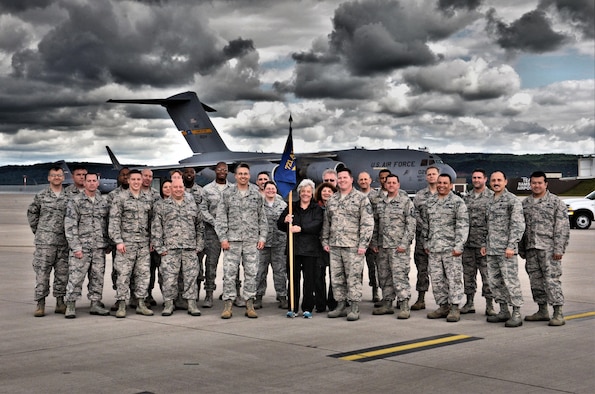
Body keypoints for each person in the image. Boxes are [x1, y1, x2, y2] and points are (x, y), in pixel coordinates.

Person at [321, 168, 374, 321]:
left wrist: (363, 244)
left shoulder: (361, 199)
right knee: (337, 277)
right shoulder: (332, 199)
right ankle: (341, 305)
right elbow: (327, 222)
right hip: (335, 245)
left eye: (345, 177)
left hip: (353, 246)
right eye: (340, 178)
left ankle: (355, 306)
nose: (342, 180)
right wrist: (325, 240)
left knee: (353, 277)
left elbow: (367, 223)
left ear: (351, 179)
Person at [215, 163, 267, 319]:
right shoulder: (227, 194)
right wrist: (223, 238)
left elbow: (262, 218)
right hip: (232, 241)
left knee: (251, 273)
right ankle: (228, 305)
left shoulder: (257, 194)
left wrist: (262, 237)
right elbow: (221, 217)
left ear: (249, 176)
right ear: (235, 176)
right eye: (240, 174)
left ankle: (249, 304)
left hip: (251, 241)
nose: (243, 176)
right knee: (229, 273)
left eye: (246, 174)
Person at [519, 171, 570, 326]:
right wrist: (522, 249)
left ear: (546, 184)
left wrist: (559, 249)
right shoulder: (525, 203)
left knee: (551, 281)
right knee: (536, 281)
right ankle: (542, 310)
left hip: (548, 249)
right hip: (531, 249)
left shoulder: (555, 202)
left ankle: (558, 312)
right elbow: (521, 227)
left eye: (540, 183)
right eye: (533, 183)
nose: (536, 185)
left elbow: (562, 228)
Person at [152, 179, 204, 317]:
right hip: (170, 249)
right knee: (169, 278)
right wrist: (160, 247)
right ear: (171, 189)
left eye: (180, 187)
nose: (178, 189)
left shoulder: (192, 205)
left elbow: (199, 226)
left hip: (189, 248)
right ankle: (169, 304)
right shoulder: (162, 206)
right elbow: (156, 228)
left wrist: (199, 245)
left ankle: (191, 304)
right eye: (175, 187)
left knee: (191, 278)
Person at [481, 170, 525, 328]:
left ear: (506, 182)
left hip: (506, 250)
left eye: (499, 180)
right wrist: (484, 244)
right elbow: (487, 226)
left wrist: (511, 245)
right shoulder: (490, 201)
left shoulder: (511, 200)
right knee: (495, 282)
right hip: (492, 249)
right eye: (493, 180)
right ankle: (503, 310)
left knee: (510, 282)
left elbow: (518, 224)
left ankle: (517, 313)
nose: (496, 183)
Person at [422, 174, 469, 322]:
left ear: (451, 185)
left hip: (451, 249)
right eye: (439, 182)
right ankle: (443, 306)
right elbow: (426, 225)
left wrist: (459, 246)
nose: (441, 185)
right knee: (437, 279)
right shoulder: (430, 203)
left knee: (454, 279)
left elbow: (462, 226)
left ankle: (454, 307)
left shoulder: (457, 203)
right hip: (434, 248)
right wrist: (426, 243)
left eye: (445, 183)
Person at [64, 173, 111, 318]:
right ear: (84, 183)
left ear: (98, 183)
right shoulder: (76, 201)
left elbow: (107, 224)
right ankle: (70, 304)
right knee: (76, 277)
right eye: (88, 181)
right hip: (81, 248)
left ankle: (95, 303)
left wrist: (108, 243)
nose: (91, 183)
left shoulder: (103, 202)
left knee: (97, 277)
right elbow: (70, 226)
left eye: (94, 181)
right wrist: (75, 247)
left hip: (98, 247)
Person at [109, 169, 154, 318]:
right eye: (133, 179)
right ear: (128, 181)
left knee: (143, 274)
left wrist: (152, 240)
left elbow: (152, 222)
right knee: (123, 274)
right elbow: (114, 222)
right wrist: (118, 241)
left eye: (138, 179)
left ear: (142, 181)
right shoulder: (120, 198)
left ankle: (141, 303)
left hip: (143, 244)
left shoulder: (147, 199)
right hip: (126, 244)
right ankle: (122, 304)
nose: (136, 182)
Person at [371, 174, 416, 319]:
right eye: (388, 182)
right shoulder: (380, 203)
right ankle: (388, 303)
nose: (390, 185)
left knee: (399, 276)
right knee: (384, 276)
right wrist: (375, 243)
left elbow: (411, 225)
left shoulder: (405, 202)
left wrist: (404, 243)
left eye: (393, 182)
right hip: (383, 246)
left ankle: (404, 304)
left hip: (398, 247)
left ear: (398, 185)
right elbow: (376, 224)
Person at [27, 165, 69, 317]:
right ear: (49, 178)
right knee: (42, 273)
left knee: (62, 274)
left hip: (64, 242)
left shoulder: (68, 197)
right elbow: (32, 213)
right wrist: (39, 231)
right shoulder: (42, 195)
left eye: (59, 175)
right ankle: (40, 303)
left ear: (63, 177)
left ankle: (60, 302)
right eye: (53, 175)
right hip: (45, 242)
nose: (57, 178)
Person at [278, 179, 323, 318]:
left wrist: (301, 228)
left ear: (312, 193)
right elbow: (279, 224)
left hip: (310, 249)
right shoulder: (292, 206)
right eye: (303, 191)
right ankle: (293, 306)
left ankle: (307, 307)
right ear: (299, 192)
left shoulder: (316, 209)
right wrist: (285, 221)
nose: (305, 194)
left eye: (308, 191)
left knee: (309, 280)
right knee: (293, 279)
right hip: (294, 249)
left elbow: (317, 225)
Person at [461, 169, 496, 316]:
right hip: (468, 244)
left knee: (487, 276)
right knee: (468, 275)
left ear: (485, 179)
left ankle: (489, 305)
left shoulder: (491, 197)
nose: (476, 180)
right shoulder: (466, 198)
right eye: (474, 177)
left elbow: (493, 223)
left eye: (479, 178)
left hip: (483, 245)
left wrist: (487, 243)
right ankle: (469, 303)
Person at [199, 162, 231, 308]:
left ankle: (232, 293)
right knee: (211, 264)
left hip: (230, 233)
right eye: (219, 169)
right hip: (212, 233)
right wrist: (215, 222)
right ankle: (209, 294)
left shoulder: (233, 189)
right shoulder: (207, 190)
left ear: (228, 172)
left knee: (231, 265)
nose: (222, 172)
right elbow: (202, 210)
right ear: (215, 171)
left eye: (225, 170)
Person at [411, 166, 439, 310]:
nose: (431, 176)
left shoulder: (445, 194)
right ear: (426, 177)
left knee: (442, 273)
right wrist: (426, 228)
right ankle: (421, 299)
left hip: (441, 241)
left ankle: (444, 302)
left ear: (438, 176)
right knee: (422, 271)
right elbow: (414, 214)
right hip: (422, 240)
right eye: (429, 174)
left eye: (434, 174)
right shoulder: (420, 195)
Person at [255, 181, 288, 309]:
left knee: (280, 271)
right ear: (264, 189)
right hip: (262, 243)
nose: (270, 191)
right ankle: (258, 296)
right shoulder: (259, 204)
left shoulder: (282, 204)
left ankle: (282, 296)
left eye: (273, 189)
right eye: (268, 189)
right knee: (260, 271)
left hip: (279, 243)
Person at [146, 179, 172, 306]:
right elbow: (152, 224)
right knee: (151, 271)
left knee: (166, 274)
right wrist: (153, 241)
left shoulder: (180, 204)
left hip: (171, 245)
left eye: (170, 186)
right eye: (165, 187)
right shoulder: (157, 204)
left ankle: (167, 298)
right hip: (157, 243)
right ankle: (148, 295)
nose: (167, 189)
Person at [314, 182, 337, 312]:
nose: (326, 193)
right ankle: (320, 303)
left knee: (334, 275)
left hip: (333, 244)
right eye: (324, 191)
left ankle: (333, 302)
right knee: (318, 276)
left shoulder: (338, 207)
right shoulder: (314, 207)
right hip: (317, 246)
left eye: (329, 191)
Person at [357, 171, 380, 303]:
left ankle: (375, 291)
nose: (364, 181)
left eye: (366, 179)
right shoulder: (355, 196)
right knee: (356, 268)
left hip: (372, 238)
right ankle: (356, 292)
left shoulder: (376, 196)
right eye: (361, 179)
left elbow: (378, 219)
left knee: (373, 267)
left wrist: (375, 240)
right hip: (357, 238)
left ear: (370, 180)